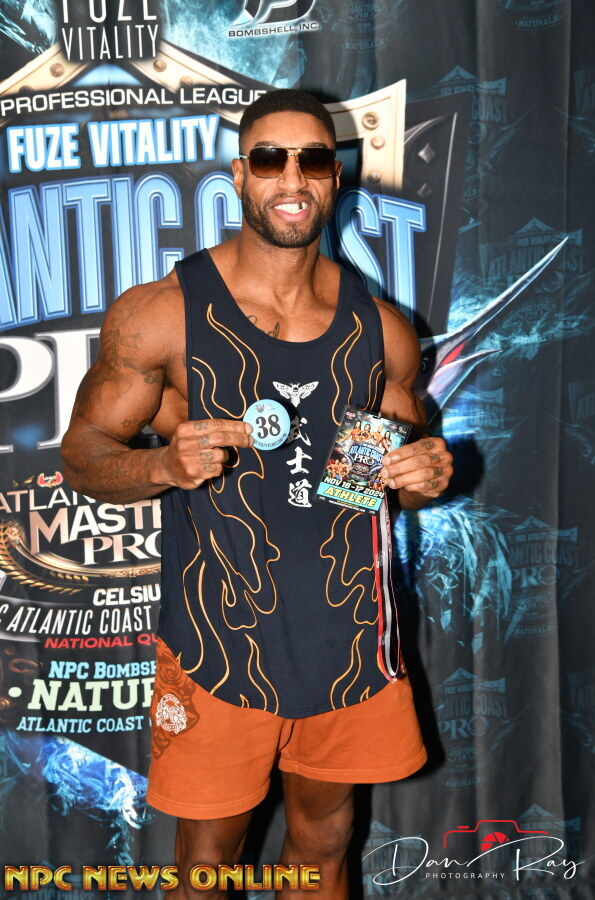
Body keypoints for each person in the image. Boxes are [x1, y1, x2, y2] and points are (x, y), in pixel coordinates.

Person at [61, 89, 453, 899]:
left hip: (349, 646)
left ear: (335, 177)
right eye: (271, 158)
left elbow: (372, 489)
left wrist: (422, 480)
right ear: (240, 175)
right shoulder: (162, 314)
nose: (292, 177)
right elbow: (83, 455)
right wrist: (164, 468)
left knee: (325, 847)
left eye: (313, 160)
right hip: (218, 648)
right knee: (206, 866)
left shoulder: (382, 331)